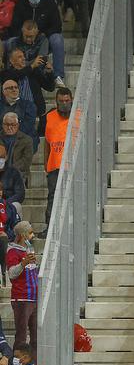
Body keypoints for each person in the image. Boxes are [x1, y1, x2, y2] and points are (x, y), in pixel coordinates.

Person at [43, 87, 72, 228]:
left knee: (72, 197)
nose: (64, 104)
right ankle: (50, 228)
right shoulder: (50, 116)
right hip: (54, 164)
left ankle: (70, 227)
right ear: (56, 101)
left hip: (72, 165)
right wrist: (45, 162)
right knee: (52, 197)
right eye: (61, 101)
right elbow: (47, 142)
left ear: (72, 100)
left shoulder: (78, 115)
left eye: (67, 100)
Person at [6, 222, 37, 350]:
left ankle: (34, 361)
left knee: (36, 337)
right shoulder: (12, 251)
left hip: (34, 298)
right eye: (30, 233)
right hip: (21, 298)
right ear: (22, 235)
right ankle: (17, 362)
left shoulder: (29, 250)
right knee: (21, 336)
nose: (32, 235)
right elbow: (12, 274)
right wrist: (23, 263)